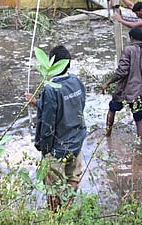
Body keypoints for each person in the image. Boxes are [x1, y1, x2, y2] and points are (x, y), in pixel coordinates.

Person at [31, 45, 86, 211]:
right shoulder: (76, 81)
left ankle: (55, 216)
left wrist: (44, 147)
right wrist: (37, 102)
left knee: (52, 187)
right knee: (73, 178)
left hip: (56, 148)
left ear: (51, 64)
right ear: (68, 64)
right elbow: (77, 107)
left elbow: (48, 123)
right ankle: (67, 210)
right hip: (76, 141)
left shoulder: (50, 89)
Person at [102, 26, 142, 139]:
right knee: (138, 118)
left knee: (112, 108)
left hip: (126, 90)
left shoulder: (128, 50)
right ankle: (141, 144)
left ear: (131, 38)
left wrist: (108, 82)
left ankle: (107, 134)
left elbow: (122, 71)